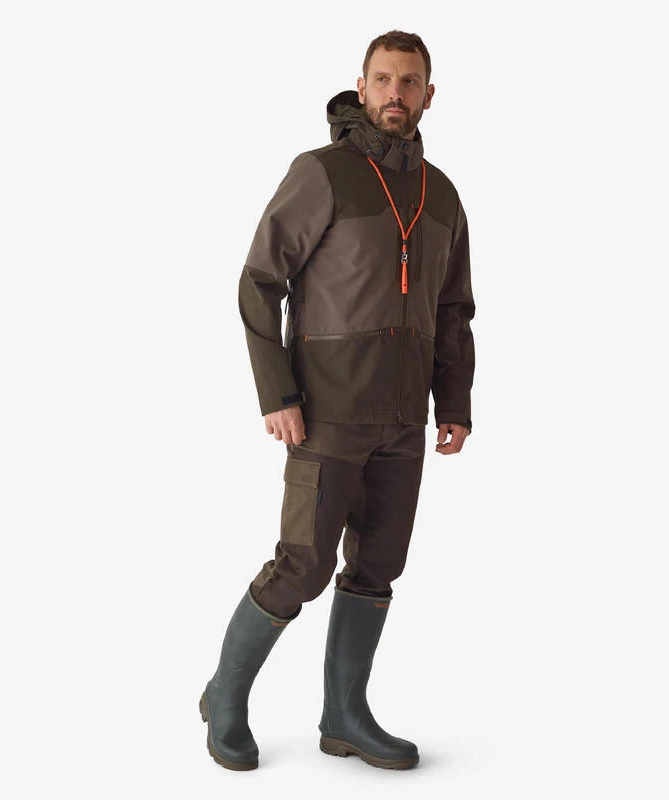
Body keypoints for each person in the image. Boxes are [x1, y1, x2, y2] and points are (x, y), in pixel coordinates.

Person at [199, 29, 475, 772]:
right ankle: (225, 696)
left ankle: (345, 717)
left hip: (404, 419)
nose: (395, 93)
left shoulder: (444, 194)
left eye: (409, 81)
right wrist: (277, 391)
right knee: (303, 564)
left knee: (378, 565)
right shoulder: (321, 173)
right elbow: (260, 280)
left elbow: (454, 309)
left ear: (429, 94)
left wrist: (454, 402)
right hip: (325, 412)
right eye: (383, 79)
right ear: (361, 88)